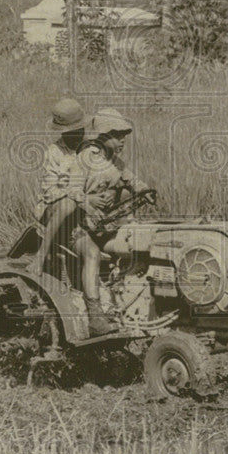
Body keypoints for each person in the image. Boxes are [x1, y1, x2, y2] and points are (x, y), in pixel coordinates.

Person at [74, 108, 152, 336]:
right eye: (117, 135)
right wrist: (88, 200)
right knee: (92, 254)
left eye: (124, 136)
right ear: (103, 135)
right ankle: (95, 314)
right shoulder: (84, 160)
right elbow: (68, 192)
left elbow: (133, 181)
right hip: (79, 228)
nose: (122, 140)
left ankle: (132, 300)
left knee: (139, 241)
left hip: (106, 226)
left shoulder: (116, 162)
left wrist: (144, 190)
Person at [35, 98, 87, 278]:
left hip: (86, 208)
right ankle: (41, 255)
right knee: (69, 204)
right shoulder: (54, 153)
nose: (75, 135)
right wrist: (73, 193)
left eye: (79, 130)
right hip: (56, 209)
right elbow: (49, 193)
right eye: (69, 132)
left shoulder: (92, 149)